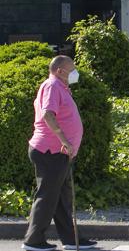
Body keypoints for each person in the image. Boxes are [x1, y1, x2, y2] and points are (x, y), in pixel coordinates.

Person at [23, 56, 97, 251]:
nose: (75, 72)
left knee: (61, 197)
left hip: (58, 152)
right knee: (47, 195)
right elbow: (48, 114)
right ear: (59, 70)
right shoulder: (52, 86)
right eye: (71, 69)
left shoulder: (60, 87)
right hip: (51, 150)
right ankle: (33, 240)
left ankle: (71, 239)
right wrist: (65, 140)